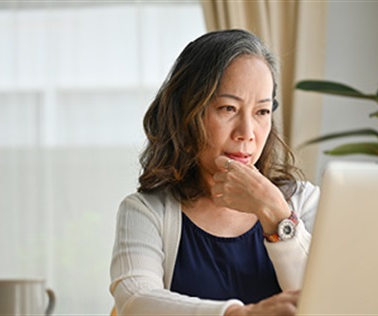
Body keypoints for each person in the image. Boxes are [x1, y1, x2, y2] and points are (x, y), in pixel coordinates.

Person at [110, 29, 320, 316]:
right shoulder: (146, 212)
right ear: (188, 114)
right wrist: (241, 315)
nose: (247, 133)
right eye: (228, 108)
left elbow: (327, 301)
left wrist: (276, 213)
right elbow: (136, 301)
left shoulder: (304, 201)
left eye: (262, 112)